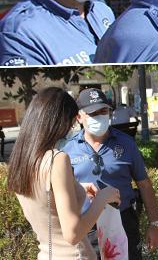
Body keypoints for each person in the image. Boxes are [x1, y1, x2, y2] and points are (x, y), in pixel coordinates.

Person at [8, 87, 121, 259]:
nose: (71, 129)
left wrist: (77, 188)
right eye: (70, 122)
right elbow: (72, 234)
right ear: (57, 122)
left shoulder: (22, 161)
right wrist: (103, 197)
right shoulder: (57, 159)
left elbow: (45, 199)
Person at [62, 88, 158, 259]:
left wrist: (155, 224)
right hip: (87, 226)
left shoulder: (126, 143)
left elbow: (144, 184)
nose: (99, 116)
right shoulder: (67, 150)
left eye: (103, 110)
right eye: (92, 113)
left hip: (123, 222)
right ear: (79, 117)